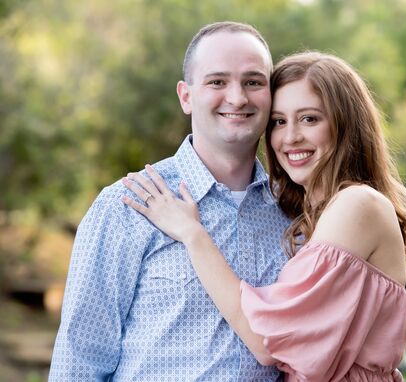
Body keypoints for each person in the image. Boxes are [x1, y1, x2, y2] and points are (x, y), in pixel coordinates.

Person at [122, 52, 406, 381]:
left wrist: (193, 234)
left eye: (310, 119)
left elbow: (266, 341)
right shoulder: (306, 215)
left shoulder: (358, 205)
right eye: (279, 122)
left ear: (346, 126)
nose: (290, 137)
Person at [49, 21, 291, 381]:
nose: (238, 97)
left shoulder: (294, 215)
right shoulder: (126, 206)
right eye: (217, 81)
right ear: (186, 96)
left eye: (254, 82)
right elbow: (78, 363)